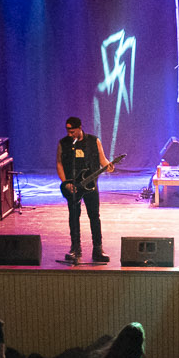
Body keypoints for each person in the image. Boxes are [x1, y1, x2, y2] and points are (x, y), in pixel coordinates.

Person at [55, 113, 114, 263]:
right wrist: (65, 182)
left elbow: (102, 159)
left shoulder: (93, 141)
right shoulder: (64, 143)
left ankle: (98, 249)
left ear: (80, 128)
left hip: (90, 185)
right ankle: (75, 248)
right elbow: (59, 163)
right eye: (68, 131)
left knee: (94, 216)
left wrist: (108, 166)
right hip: (73, 186)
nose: (70, 134)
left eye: (73, 131)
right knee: (74, 217)